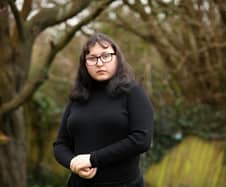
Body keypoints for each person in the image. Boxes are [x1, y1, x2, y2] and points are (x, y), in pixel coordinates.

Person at [53, 33, 153, 187]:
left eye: (106, 56)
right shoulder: (77, 98)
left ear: (117, 58)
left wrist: (92, 159)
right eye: (92, 58)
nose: (99, 63)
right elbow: (60, 144)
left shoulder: (133, 93)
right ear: (85, 64)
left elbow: (141, 140)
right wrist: (73, 162)